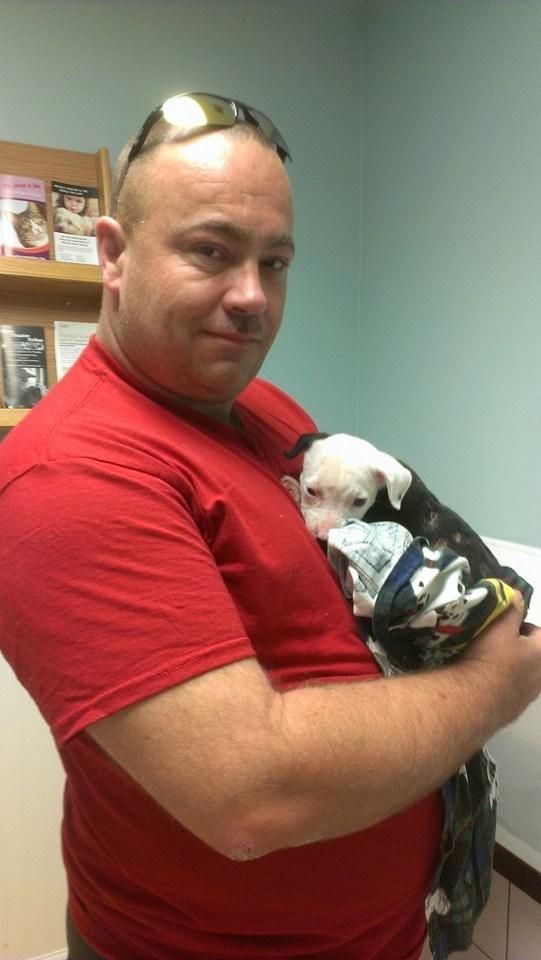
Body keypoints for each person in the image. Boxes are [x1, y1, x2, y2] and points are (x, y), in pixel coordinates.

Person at [0, 92, 540, 960]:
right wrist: (497, 683)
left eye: (275, 261)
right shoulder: (71, 474)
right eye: (210, 251)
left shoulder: (258, 407)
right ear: (113, 254)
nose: (251, 296)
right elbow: (249, 797)